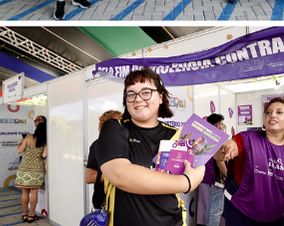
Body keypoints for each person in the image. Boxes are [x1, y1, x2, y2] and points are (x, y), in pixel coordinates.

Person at [97, 67, 204, 226]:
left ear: (160, 97)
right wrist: (186, 182)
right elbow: (119, 174)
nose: (138, 99)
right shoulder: (115, 128)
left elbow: (198, 165)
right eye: (131, 94)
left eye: (146, 92)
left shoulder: (176, 135)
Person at [216, 98, 284, 226]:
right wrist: (225, 146)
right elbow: (220, 156)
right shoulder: (247, 139)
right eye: (268, 112)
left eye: (279, 112)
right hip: (240, 212)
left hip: (275, 217)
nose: (273, 115)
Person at [86, 110, 122, 211]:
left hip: (125, 206)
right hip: (103, 203)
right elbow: (89, 177)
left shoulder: (129, 144)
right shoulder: (97, 145)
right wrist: (117, 174)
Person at [16, 121, 48, 223]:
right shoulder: (45, 142)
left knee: (25, 191)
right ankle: (32, 215)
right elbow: (44, 155)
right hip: (36, 170)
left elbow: (19, 151)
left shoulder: (28, 137)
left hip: (24, 168)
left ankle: (24, 214)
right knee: (34, 192)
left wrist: (21, 142)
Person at [200, 114, 227, 226]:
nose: (222, 126)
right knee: (216, 211)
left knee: (211, 207)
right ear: (217, 125)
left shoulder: (207, 138)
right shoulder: (218, 139)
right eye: (221, 124)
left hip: (211, 179)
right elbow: (219, 161)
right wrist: (229, 175)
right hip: (218, 180)